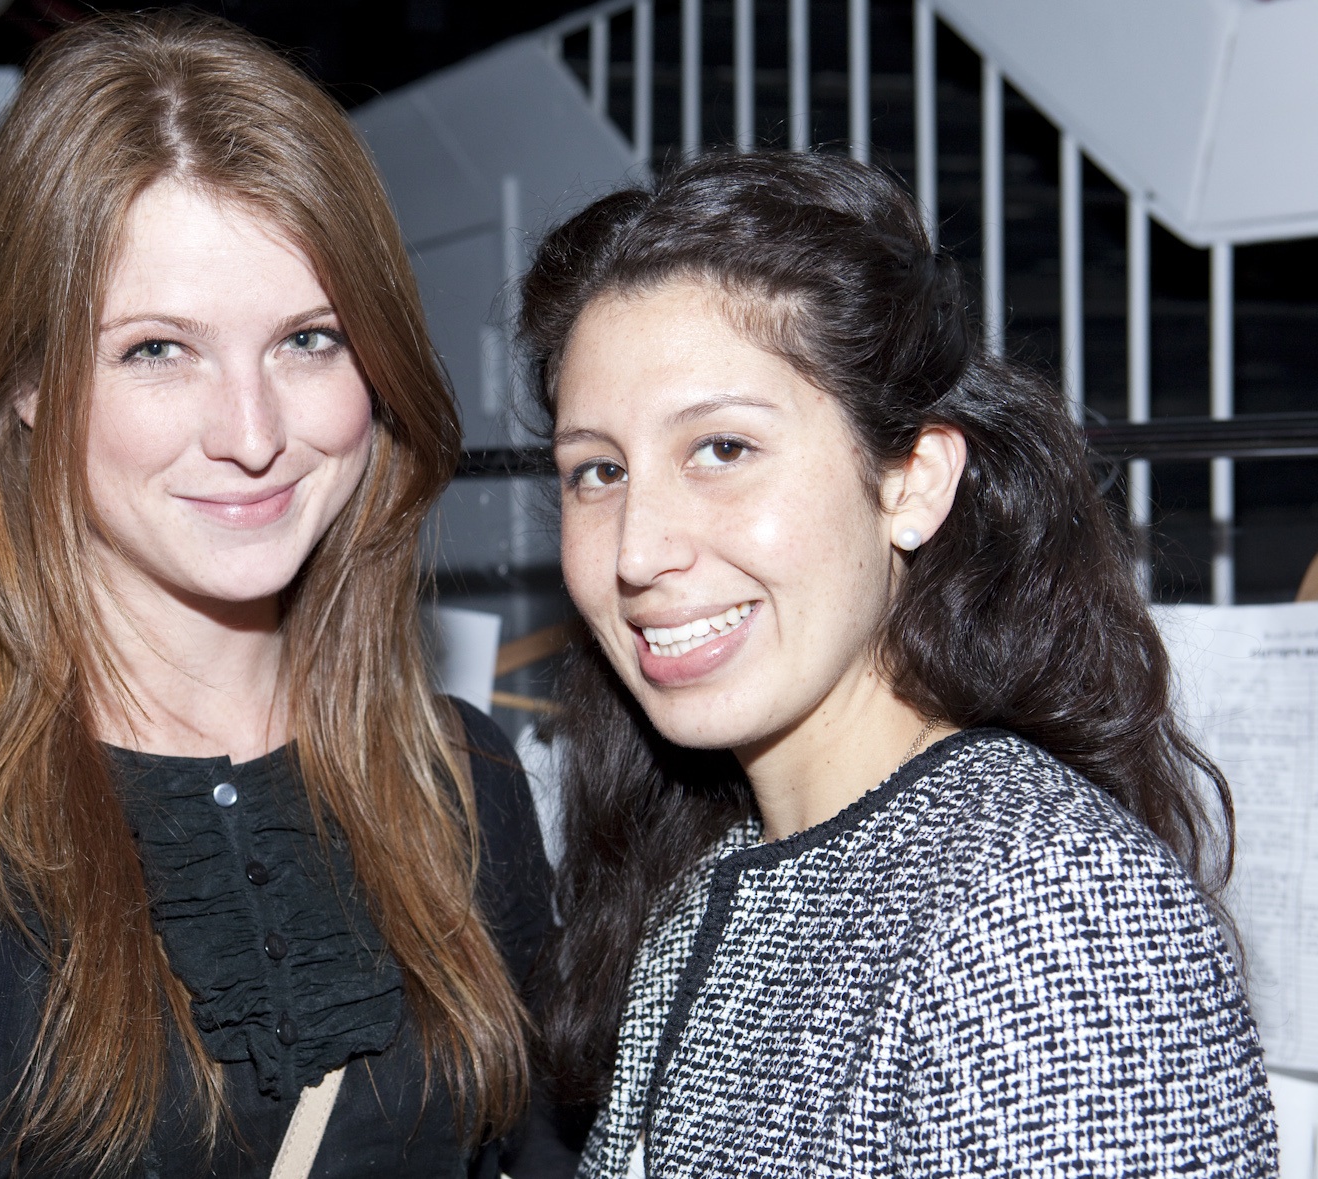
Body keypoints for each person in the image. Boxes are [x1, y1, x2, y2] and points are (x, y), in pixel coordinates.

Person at [0, 12, 562, 1179]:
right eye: (158, 349)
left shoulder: (461, 783)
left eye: (309, 339)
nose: (254, 434)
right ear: (23, 381)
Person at [521, 152, 1279, 1176]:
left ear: (912, 482)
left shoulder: (1043, 911)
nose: (637, 549)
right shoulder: (704, 880)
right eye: (598, 470)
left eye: (723, 449)